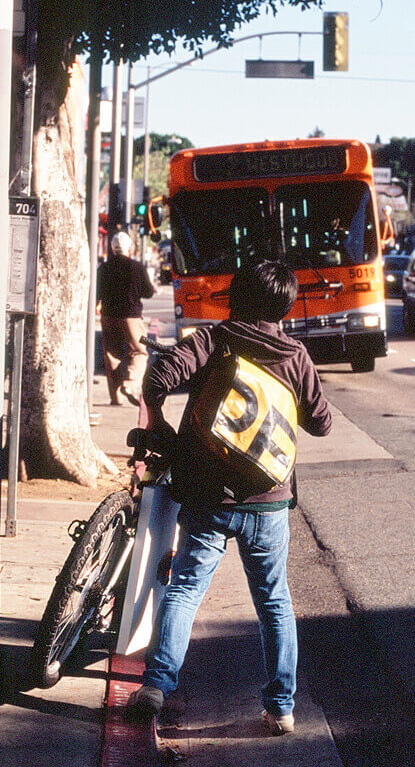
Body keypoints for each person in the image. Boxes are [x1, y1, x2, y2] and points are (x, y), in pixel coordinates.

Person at [125, 259, 332, 736]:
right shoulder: (295, 355)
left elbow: (156, 381)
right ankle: (280, 707)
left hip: (207, 499)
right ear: (284, 306)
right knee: (275, 601)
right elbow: (321, 423)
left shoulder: (211, 341)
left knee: (185, 589)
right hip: (267, 502)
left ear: (235, 298)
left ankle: (156, 685)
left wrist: (156, 421)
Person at [97, 231, 155, 405]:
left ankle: (116, 398)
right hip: (131, 315)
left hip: (108, 315)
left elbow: (98, 292)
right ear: (129, 248)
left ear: (113, 249)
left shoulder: (104, 268)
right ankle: (130, 385)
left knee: (112, 355)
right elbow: (148, 292)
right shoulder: (136, 267)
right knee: (139, 351)